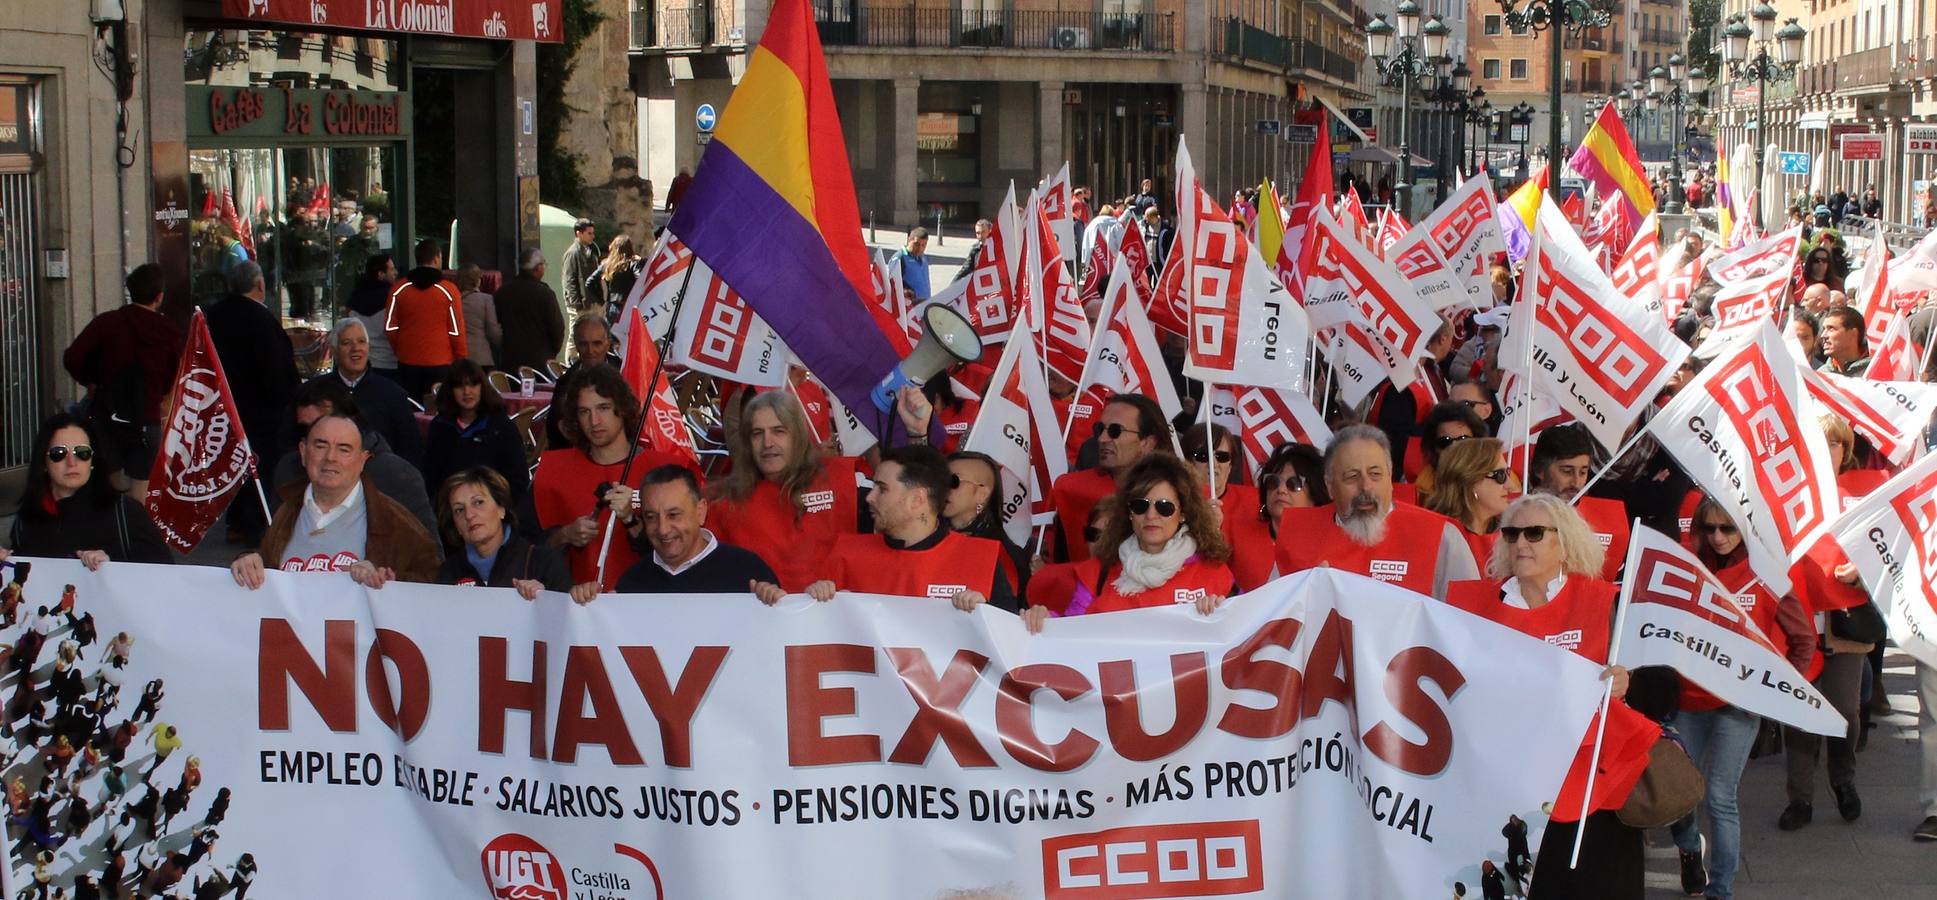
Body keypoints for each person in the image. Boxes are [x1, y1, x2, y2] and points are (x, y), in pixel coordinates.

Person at [1445, 494, 1658, 900]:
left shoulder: (1602, 600)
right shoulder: (1474, 607)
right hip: (1511, 787)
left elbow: (1654, 683)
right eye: (1511, 533)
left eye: (1535, 533)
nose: (1521, 543)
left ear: (1565, 542)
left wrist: (1626, 681)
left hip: (1593, 785)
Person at [1669, 498, 1816, 900]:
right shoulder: (1685, 565)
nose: (1717, 537)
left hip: (1740, 705)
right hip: (1688, 698)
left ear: (1745, 531)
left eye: (1727, 529)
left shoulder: (1767, 575)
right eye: (1710, 528)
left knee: (1719, 796)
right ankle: (1687, 850)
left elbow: (1804, 640)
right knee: (1677, 791)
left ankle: (1721, 891)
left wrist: (1778, 692)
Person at [764, 446, 1016, 611]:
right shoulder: (845, 553)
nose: (870, 497)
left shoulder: (981, 558)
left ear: (918, 500)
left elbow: (1013, 645)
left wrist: (989, 614)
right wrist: (805, 598)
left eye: (882, 489)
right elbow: (807, 632)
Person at [1022, 454, 1232, 632]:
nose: (1151, 515)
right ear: (1129, 513)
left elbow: (1242, 637)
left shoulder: (1215, 573)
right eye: (1140, 506)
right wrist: (1044, 621)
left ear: (1184, 513)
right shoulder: (1097, 573)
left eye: (1164, 507)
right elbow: (1072, 632)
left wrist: (1224, 613)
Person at [230, 412, 441, 587]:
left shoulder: (396, 522)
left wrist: (388, 583)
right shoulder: (285, 509)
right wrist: (248, 561)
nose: (331, 457)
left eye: (344, 449)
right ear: (303, 453)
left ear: (362, 460)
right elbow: (268, 569)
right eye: (320, 446)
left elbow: (432, 582)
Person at [531, 365, 693, 590]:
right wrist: (565, 535)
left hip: (646, 602)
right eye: (584, 411)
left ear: (623, 409)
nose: (594, 421)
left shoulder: (667, 471)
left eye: (604, 408)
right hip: (577, 604)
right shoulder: (555, 471)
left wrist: (631, 519)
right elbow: (528, 548)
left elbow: (688, 550)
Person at [1273, 425, 1480, 601]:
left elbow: (1469, 624)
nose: (1366, 487)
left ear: (1390, 478)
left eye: (1375, 474)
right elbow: (1273, 618)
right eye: (1352, 477)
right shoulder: (1297, 534)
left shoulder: (1440, 537)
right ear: (1329, 486)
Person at [707, 391, 863, 591]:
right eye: (757, 433)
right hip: (759, 615)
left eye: (778, 431)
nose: (767, 443)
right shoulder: (722, 501)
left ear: (798, 436)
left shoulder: (842, 480)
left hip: (831, 613)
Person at [62, 263, 186, 498]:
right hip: (146, 417)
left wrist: (90, 380)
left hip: (108, 412)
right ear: (159, 297)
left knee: (109, 483)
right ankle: (132, 531)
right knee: (141, 489)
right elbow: (174, 375)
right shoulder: (168, 332)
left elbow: (72, 357)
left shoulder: (107, 323)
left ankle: (112, 529)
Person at [202, 260, 299, 545]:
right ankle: (256, 524)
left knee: (232, 464)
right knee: (261, 466)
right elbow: (275, 368)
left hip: (225, 406)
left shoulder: (215, 315)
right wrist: (286, 398)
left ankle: (236, 521)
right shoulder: (261, 319)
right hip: (262, 409)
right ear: (259, 285)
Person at [0, 414, 169, 568]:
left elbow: (166, 573)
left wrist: (112, 562)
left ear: (93, 460)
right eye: (59, 453)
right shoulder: (27, 519)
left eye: (82, 452)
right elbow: (22, 584)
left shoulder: (124, 513)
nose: (72, 462)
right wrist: (4, 564)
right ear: (43, 463)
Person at [273, 381, 436, 534]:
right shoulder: (289, 470)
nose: (314, 434)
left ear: (351, 422)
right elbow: (271, 546)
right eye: (304, 429)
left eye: (322, 424)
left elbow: (428, 556)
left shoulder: (395, 474)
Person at [614, 465, 776, 593]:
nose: (663, 529)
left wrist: (774, 601)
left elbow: (779, 630)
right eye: (651, 517)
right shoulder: (632, 583)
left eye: (673, 515)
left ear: (701, 511)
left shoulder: (748, 572)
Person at [1050, 394, 1169, 562]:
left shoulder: (1182, 495)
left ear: (1147, 443)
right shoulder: (1072, 490)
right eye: (1100, 429)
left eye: (1115, 431)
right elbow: (1062, 561)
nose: (1102, 439)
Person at [434, 468, 576, 599]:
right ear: (456, 526)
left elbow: (566, 620)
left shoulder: (544, 562)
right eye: (459, 510)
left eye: (478, 502)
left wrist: (545, 599)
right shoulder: (448, 573)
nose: (469, 515)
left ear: (501, 509)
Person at [308, 317, 424, 466]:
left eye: (361, 342)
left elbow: (411, 452)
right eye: (346, 343)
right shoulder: (314, 392)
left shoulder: (393, 394)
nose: (356, 348)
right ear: (334, 351)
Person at [1527, 424, 1629, 581]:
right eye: (1567, 471)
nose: (1576, 482)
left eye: (1583, 472)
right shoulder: (1512, 516)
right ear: (1539, 470)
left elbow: (1611, 590)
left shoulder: (1607, 520)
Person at [421, 360, 529, 502]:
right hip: (449, 509)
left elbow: (518, 477)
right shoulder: (440, 426)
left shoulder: (500, 426)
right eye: (459, 386)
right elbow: (430, 476)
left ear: (482, 387)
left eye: (473, 384)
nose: (467, 392)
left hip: (494, 509)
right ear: (451, 390)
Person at [1180, 423, 1271, 592]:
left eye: (1222, 456)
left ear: (1231, 465)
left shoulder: (1258, 499)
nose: (1213, 463)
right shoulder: (1173, 507)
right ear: (1186, 462)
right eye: (1202, 456)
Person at [384, 238, 468, 401]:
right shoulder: (448, 290)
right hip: (441, 361)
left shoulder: (398, 289)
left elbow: (390, 327)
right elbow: (456, 330)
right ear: (437, 258)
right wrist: (461, 359)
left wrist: (400, 348)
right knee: (440, 409)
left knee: (411, 409)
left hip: (407, 360)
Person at [943, 451, 1030, 594]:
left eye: (953, 481)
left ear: (982, 494)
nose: (944, 488)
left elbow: (1006, 610)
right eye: (939, 480)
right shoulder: (924, 534)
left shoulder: (999, 550)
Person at [1422, 438, 1513, 568]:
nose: (1510, 485)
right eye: (1500, 475)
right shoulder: (1434, 537)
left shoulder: (1513, 534)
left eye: (1508, 474)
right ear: (1471, 480)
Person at [493, 248, 567, 375]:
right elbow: (557, 327)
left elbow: (495, 324)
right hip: (540, 361)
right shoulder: (545, 294)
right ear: (538, 268)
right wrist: (552, 351)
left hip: (510, 359)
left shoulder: (503, 292)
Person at [1406, 399, 1485, 497]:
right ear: (1434, 448)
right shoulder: (1424, 489)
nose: (1455, 447)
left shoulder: (1496, 477)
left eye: (1463, 439)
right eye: (1445, 441)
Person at [344, 253, 401, 380]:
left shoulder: (355, 298)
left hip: (363, 362)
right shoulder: (393, 299)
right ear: (381, 274)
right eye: (391, 269)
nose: (395, 272)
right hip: (389, 362)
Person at [456, 264, 502, 370]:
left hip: (457, 357)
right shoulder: (486, 300)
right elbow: (493, 332)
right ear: (477, 280)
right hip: (481, 357)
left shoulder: (453, 300)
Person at [594, 234, 644, 321]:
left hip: (612, 305)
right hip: (627, 306)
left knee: (611, 332)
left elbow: (590, 282)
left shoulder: (607, 264)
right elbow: (640, 280)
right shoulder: (633, 263)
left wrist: (601, 299)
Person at [561, 218, 601, 311]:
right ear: (579, 234)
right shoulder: (572, 253)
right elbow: (569, 280)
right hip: (580, 307)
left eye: (593, 233)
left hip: (591, 303)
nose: (593, 236)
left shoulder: (591, 251)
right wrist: (576, 304)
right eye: (589, 233)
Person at [1817, 306, 1870, 377]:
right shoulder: (1821, 376)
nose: (1823, 335)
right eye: (1824, 329)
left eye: (1831, 329)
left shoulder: (1874, 373)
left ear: (1853, 334)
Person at [894, 228, 932, 302]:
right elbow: (892, 282)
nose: (920, 249)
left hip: (925, 302)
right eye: (916, 244)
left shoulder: (923, 257)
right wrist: (906, 290)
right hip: (910, 305)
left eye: (923, 245)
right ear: (909, 240)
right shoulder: (900, 258)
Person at [954, 218, 993, 283]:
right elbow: (965, 269)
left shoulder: (998, 248)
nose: (980, 236)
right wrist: (951, 286)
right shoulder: (975, 250)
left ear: (990, 231)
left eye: (983, 232)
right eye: (978, 233)